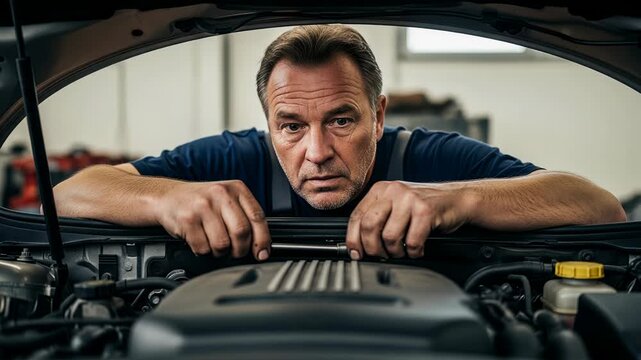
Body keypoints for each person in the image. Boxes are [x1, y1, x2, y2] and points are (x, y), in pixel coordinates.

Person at [52, 25, 627, 262]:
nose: (317, 151)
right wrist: (164, 200)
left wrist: (459, 200)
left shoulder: (431, 160)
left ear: (380, 116)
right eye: (293, 127)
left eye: (342, 121)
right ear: (269, 124)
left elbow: (600, 207)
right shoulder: (233, 160)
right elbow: (68, 197)